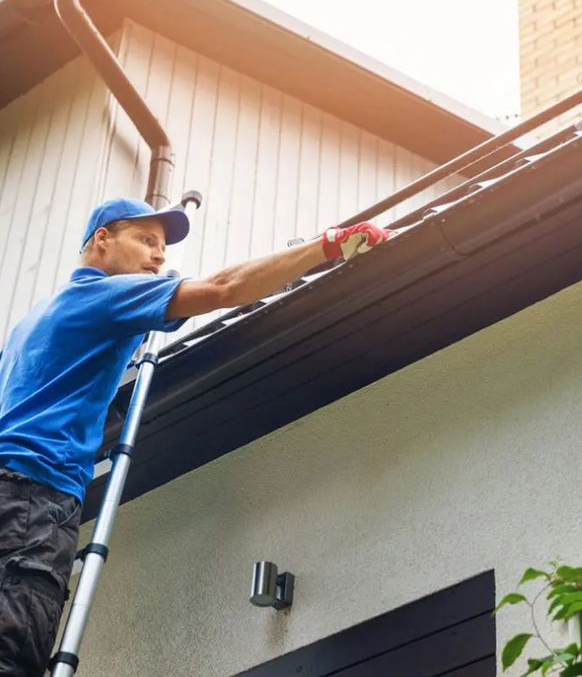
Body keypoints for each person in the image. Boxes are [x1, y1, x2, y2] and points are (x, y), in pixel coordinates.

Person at [0, 196, 393, 676]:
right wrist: (327, 245)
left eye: (162, 246)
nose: (159, 255)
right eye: (146, 240)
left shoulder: (31, 324)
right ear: (102, 240)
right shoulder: (103, 297)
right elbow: (223, 287)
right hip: (32, 503)